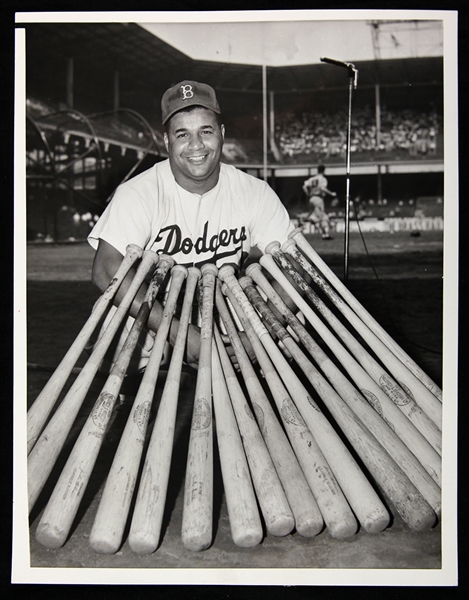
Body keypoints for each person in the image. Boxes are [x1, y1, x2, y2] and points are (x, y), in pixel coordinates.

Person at [88, 80, 294, 371]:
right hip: (157, 315)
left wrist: (257, 334)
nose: (195, 145)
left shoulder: (254, 191)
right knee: (113, 317)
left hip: (226, 312)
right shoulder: (139, 191)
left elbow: (297, 271)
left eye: (205, 131)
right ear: (167, 141)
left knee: (294, 325)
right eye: (182, 134)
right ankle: (124, 399)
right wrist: (178, 333)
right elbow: (105, 270)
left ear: (222, 135)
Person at [302, 165, 336, 239]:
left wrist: (308, 194)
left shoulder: (312, 179)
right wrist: (331, 193)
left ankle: (312, 220)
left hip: (311, 198)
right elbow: (322, 188)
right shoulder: (322, 179)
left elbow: (304, 187)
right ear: (324, 171)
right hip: (318, 198)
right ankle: (326, 234)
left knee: (316, 215)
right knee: (322, 216)